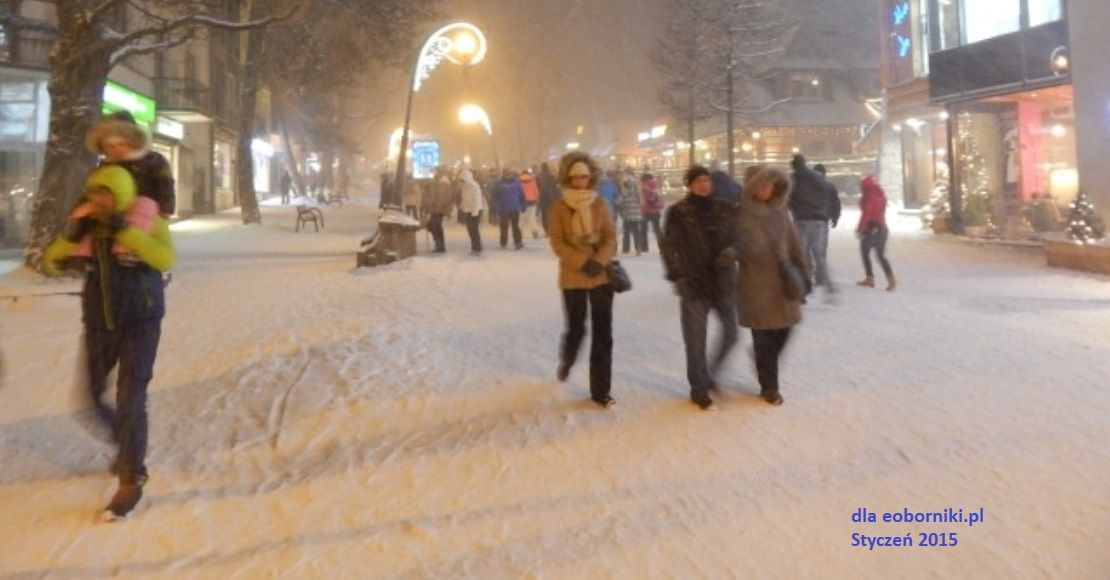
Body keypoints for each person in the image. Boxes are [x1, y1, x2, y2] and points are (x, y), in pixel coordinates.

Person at [41, 163, 175, 521]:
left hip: (140, 321)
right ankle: (130, 443)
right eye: (96, 194)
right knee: (89, 399)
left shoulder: (146, 219)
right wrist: (72, 233)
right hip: (100, 323)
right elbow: (51, 265)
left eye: (108, 194)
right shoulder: (88, 226)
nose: (101, 201)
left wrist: (123, 230)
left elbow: (165, 258)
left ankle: (131, 477)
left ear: (123, 195)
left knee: (131, 398)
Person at [661, 165, 740, 410]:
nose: (703, 185)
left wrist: (732, 251)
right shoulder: (678, 212)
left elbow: (740, 239)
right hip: (694, 284)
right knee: (695, 342)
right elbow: (668, 246)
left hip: (723, 282)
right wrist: (677, 276)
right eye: (698, 181)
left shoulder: (725, 208)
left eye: (706, 180)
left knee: (731, 333)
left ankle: (711, 373)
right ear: (690, 185)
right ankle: (699, 388)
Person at [735, 164, 809, 406]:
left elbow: (795, 245)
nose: (767, 189)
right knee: (763, 336)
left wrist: (805, 273)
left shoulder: (781, 212)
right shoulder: (741, 214)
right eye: (762, 184)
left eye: (770, 184)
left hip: (783, 283)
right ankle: (770, 387)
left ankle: (762, 361)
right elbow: (732, 246)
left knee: (786, 330)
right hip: (755, 284)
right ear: (752, 187)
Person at [549, 151, 618, 408]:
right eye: (576, 178)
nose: (580, 182)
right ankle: (568, 358)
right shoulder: (558, 207)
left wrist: (598, 261)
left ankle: (601, 390)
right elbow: (557, 243)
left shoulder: (600, 204)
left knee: (603, 334)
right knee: (576, 327)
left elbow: (611, 237)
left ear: (591, 178)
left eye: (584, 177)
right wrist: (582, 262)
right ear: (568, 179)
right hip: (573, 276)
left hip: (600, 276)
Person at [91, 112, 176, 218]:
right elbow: (95, 190)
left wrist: (165, 211)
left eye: (121, 143)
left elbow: (166, 186)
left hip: (148, 218)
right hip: (114, 220)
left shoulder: (154, 160)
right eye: (110, 145)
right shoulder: (106, 165)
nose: (116, 149)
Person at [788, 154, 835, 294]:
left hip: (802, 220)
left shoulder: (794, 178)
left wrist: (794, 208)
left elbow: (788, 197)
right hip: (819, 219)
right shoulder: (817, 177)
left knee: (802, 252)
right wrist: (821, 208)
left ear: (794, 165)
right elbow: (827, 191)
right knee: (819, 254)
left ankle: (805, 281)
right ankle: (827, 282)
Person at [856, 176, 896, 291]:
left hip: (871, 228)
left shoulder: (868, 196)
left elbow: (866, 214)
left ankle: (870, 278)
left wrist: (860, 229)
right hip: (882, 227)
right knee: (880, 255)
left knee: (864, 252)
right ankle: (891, 280)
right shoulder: (881, 195)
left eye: (861, 186)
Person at [492, 168, 526, 249]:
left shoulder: (517, 183)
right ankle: (503, 242)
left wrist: (523, 205)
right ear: (503, 174)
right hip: (503, 208)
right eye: (506, 173)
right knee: (504, 226)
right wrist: (495, 206)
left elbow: (521, 194)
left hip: (514, 208)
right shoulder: (498, 183)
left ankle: (518, 242)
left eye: (510, 173)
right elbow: (495, 196)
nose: (508, 175)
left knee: (515, 226)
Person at [425, 168, 455, 253]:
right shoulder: (436, 183)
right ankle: (439, 244)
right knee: (432, 226)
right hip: (435, 209)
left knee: (435, 226)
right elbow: (432, 196)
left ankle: (440, 245)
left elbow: (443, 198)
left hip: (439, 209)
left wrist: (439, 209)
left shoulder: (444, 183)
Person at [618, 168, 645, 255]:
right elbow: (640, 198)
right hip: (635, 210)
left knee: (626, 231)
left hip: (627, 211)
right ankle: (638, 248)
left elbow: (622, 197)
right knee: (636, 231)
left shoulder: (624, 183)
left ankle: (626, 249)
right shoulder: (636, 184)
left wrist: (620, 204)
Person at [459, 169, 484, 255]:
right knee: (470, 229)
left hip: (475, 211)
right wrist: (462, 206)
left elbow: (477, 199)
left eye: (463, 179)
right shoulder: (464, 187)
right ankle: (474, 246)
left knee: (474, 230)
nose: (461, 181)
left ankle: (477, 247)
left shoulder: (474, 186)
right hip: (468, 210)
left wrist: (475, 211)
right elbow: (464, 198)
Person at [640, 172, 665, 252]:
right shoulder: (656, 185)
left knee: (643, 229)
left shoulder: (646, 186)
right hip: (656, 211)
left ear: (645, 179)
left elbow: (647, 199)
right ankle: (662, 247)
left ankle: (644, 248)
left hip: (647, 211)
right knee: (657, 230)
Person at [519, 169, 544, 240]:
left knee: (522, 218)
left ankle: (519, 234)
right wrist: (537, 199)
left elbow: (518, 192)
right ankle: (535, 232)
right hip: (532, 201)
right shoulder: (532, 181)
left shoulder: (519, 182)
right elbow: (536, 192)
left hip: (522, 202)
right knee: (532, 218)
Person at [537, 162, 559, 236]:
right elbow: (556, 188)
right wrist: (556, 197)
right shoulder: (552, 176)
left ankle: (547, 231)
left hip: (542, 198)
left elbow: (537, 188)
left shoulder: (538, 176)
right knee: (551, 215)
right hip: (551, 198)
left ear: (541, 168)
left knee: (544, 215)